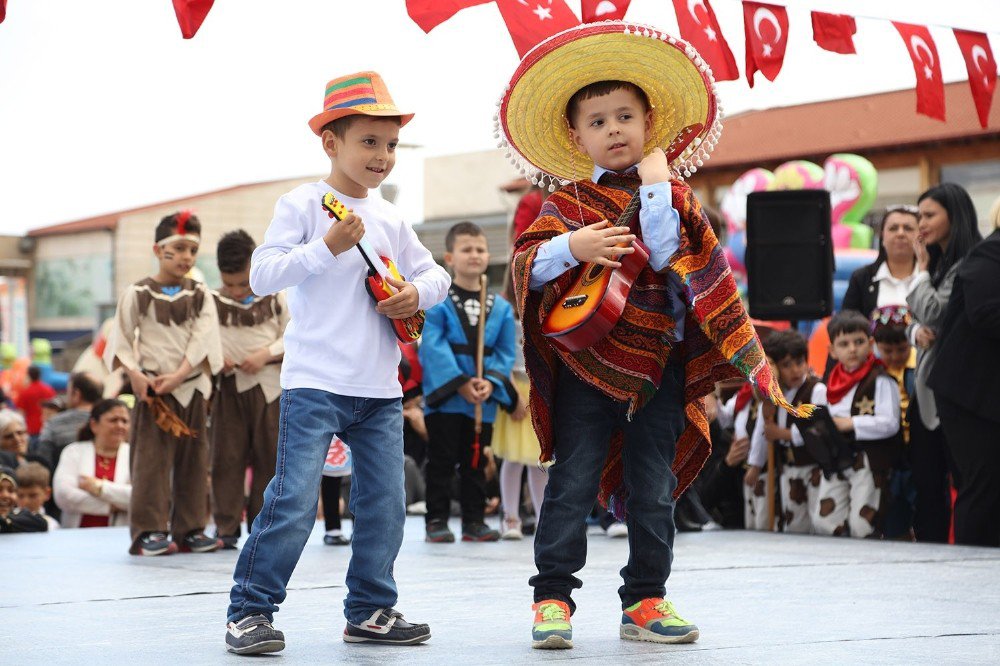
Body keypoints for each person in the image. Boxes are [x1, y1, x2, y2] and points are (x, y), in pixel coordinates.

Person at [502, 22, 809, 649]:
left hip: (663, 367)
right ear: (575, 134)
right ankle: (552, 599)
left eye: (624, 117)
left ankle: (645, 598)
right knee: (572, 482)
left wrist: (655, 188)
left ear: (649, 125)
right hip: (588, 368)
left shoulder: (671, 194)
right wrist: (574, 245)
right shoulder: (566, 203)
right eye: (597, 120)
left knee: (654, 488)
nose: (613, 129)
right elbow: (524, 270)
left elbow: (681, 259)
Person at [224, 71, 450, 655]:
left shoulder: (392, 220)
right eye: (369, 142)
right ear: (331, 143)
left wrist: (413, 296)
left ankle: (371, 610)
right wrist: (326, 247)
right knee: (294, 500)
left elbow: (437, 275)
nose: (382, 156)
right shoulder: (300, 203)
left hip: (379, 386)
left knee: (386, 505)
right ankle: (249, 611)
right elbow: (261, 276)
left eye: (392, 144)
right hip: (315, 381)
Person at [103, 210, 224, 556]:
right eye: (179, 248)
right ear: (158, 250)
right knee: (150, 463)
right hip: (153, 390)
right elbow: (121, 340)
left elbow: (204, 339)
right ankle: (148, 532)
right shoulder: (137, 292)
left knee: (194, 461)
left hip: (190, 387)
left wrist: (181, 374)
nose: (186, 256)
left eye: (192, 250)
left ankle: (191, 529)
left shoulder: (201, 293)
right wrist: (135, 375)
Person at [420, 221, 516, 543]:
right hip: (449, 396)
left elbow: (504, 350)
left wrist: (491, 381)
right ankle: (437, 519)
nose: (474, 255)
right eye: (466, 249)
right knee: (442, 459)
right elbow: (432, 344)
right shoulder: (438, 301)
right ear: (449, 256)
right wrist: (460, 381)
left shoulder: (500, 307)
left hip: (481, 399)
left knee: (476, 458)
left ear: (488, 255)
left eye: (480, 249)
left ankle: (474, 521)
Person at [907, 182, 982, 543]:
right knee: (927, 480)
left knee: (962, 479)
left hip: (956, 392)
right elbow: (919, 320)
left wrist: (920, 268)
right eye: (919, 215)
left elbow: (934, 313)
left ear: (955, 215)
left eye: (929, 215)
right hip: (927, 390)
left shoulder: (969, 264)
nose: (920, 224)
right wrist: (913, 332)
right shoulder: (940, 263)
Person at [210, 229, 289, 549]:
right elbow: (200, 339)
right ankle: (226, 528)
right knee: (225, 458)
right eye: (229, 285)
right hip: (228, 387)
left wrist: (266, 354)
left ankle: (262, 528)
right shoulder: (210, 301)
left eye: (243, 284)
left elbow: (295, 334)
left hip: (270, 386)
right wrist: (217, 357)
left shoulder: (278, 296)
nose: (236, 291)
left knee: (269, 459)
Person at [930, 195, 1000, 547]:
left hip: (985, 393)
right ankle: (972, 564)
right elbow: (986, 313)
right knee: (984, 482)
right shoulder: (991, 253)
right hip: (968, 393)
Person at [812, 310, 901, 537]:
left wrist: (851, 423)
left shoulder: (880, 379)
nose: (852, 349)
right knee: (825, 520)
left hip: (867, 460)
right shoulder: (827, 386)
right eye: (844, 344)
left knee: (863, 523)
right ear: (832, 350)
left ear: (870, 344)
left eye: (859, 342)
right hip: (836, 459)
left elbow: (890, 423)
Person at [747, 331, 826, 534]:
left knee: (818, 521)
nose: (795, 370)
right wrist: (755, 465)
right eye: (787, 365)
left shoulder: (816, 389)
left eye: (799, 362)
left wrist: (783, 434)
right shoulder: (776, 396)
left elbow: (819, 429)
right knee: (794, 525)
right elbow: (763, 431)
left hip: (815, 467)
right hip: (789, 470)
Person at [493, 270, 547, 540]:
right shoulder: (504, 312)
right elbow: (498, 354)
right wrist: (512, 393)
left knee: (539, 461)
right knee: (513, 459)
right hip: (514, 390)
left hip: (537, 390)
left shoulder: (543, 307)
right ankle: (510, 517)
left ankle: (542, 519)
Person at [870, 306, 918, 540]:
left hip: (918, 446)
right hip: (890, 450)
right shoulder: (874, 372)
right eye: (887, 351)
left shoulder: (919, 366)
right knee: (893, 500)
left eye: (902, 349)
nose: (895, 356)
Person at [53, 399, 132, 528]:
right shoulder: (74, 451)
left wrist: (99, 488)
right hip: (76, 537)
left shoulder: (134, 455)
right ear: (94, 424)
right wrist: (111, 506)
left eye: (125, 421)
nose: (120, 426)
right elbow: (64, 495)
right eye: (113, 420)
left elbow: (140, 498)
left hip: (120, 537)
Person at [842, 205, 920, 314]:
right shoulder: (861, 278)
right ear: (882, 236)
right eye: (893, 228)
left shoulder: (932, 276)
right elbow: (845, 322)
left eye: (908, 228)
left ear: (921, 236)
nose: (900, 233)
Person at [36, 372, 103, 474]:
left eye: (68, 392)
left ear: (76, 394)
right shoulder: (108, 423)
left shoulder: (54, 423)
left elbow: (43, 460)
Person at [15, 366, 56, 450]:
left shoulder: (25, 392)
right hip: (48, 428)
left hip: (32, 429)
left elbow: (20, 413)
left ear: (29, 376)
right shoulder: (48, 390)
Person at [0, 465, 48, 533]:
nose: (5, 495)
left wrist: (5, 521)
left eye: (11, 490)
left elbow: (41, 524)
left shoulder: (23, 518)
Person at [15, 462, 59, 529]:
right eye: (20, 496)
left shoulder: (52, 525)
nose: (26, 501)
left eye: (33, 496)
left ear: (47, 493)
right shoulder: (7, 522)